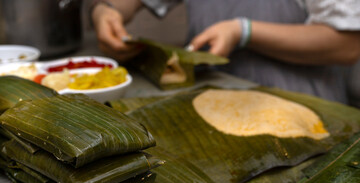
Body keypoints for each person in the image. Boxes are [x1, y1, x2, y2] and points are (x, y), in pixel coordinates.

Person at [90, 0, 360, 104]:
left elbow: (348, 45)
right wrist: (106, 9)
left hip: (304, 106)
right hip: (210, 97)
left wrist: (244, 32)